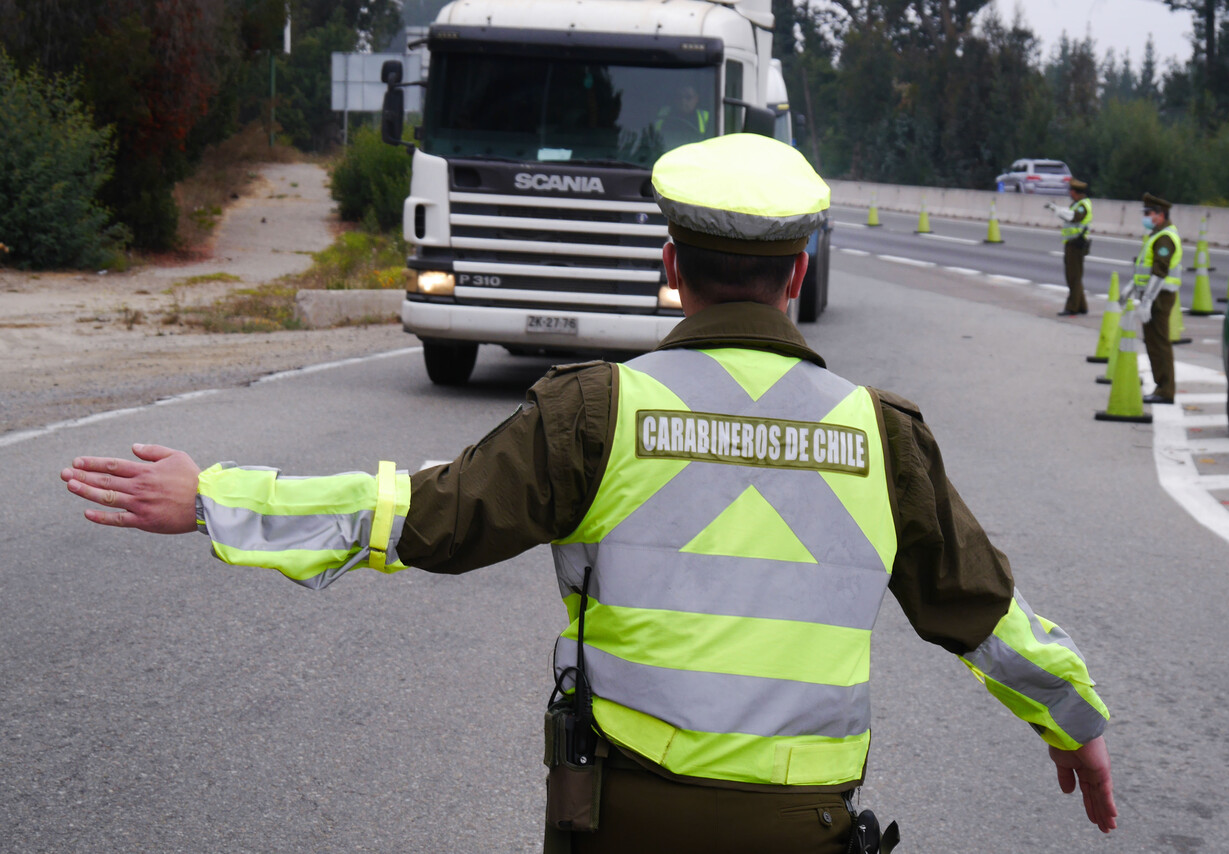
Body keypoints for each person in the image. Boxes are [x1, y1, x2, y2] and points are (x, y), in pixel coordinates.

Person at [60, 134, 1118, 853]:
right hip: (804, 829)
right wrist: (1069, 717)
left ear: (671, 265)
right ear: (797, 274)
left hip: (624, 821)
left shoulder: (598, 412)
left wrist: (216, 496)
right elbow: (984, 610)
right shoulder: (880, 436)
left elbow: (424, 516)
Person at [1122, 193, 1183, 404]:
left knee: (1159, 343)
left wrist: (1147, 301)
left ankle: (1165, 390)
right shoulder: (1156, 235)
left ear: (1160, 214)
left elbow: (1160, 271)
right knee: (1153, 341)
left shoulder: (1165, 238)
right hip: (1154, 295)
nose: (1146, 217)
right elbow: (1146, 269)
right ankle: (1161, 387)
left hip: (1160, 297)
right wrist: (1131, 288)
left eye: (1148, 213)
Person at [1046, 178, 1093, 316]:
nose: (1069, 193)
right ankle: (1082, 306)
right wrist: (1056, 209)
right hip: (1072, 242)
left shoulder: (1082, 206)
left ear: (1075, 192)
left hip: (1076, 243)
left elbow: (1073, 217)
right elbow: (1069, 215)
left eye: (1070, 190)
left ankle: (1072, 307)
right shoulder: (1077, 204)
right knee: (1075, 275)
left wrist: (1056, 209)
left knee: (1073, 277)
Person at [655, 84, 710, 148]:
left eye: (688, 97)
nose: (683, 101)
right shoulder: (663, 114)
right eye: (679, 97)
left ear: (696, 99)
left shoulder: (707, 117)